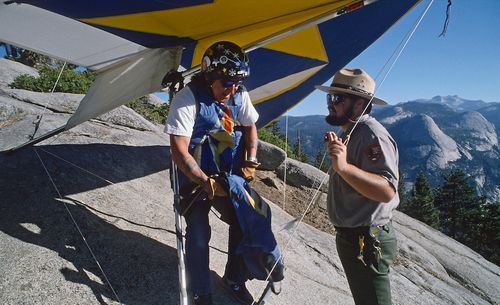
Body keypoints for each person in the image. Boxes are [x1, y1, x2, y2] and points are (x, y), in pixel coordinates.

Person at [165, 41, 260, 305]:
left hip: (226, 171)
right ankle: (201, 292)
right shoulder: (188, 98)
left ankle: (234, 278)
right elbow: (179, 151)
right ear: (210, 75)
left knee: (245, 219)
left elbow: (251, 127)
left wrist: (250, 160)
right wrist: (204, 182)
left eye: (236, 84)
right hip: (194, 175)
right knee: (198, 230)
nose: (232, 90)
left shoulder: (238, 94)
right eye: (226, 84)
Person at [315, 68, 400, 305]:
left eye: (337, 98)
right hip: (354, 237)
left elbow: (386, 191)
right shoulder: (351, 131)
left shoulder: (371, 135)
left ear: (359, 105)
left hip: (367, 238)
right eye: (329, 97)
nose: (330, 104)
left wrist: (343, 167)